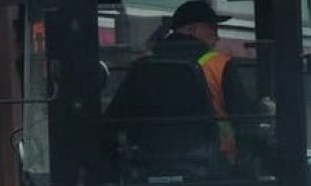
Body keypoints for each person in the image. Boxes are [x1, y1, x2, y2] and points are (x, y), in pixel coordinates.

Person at [104, 0, 261, 169]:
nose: (217, 37)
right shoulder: (218, 65)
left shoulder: (142, 66)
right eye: (213, 29)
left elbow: (113, 121)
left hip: (148, 169)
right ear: (194, 30)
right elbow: (244, 119)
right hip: (213, 170)